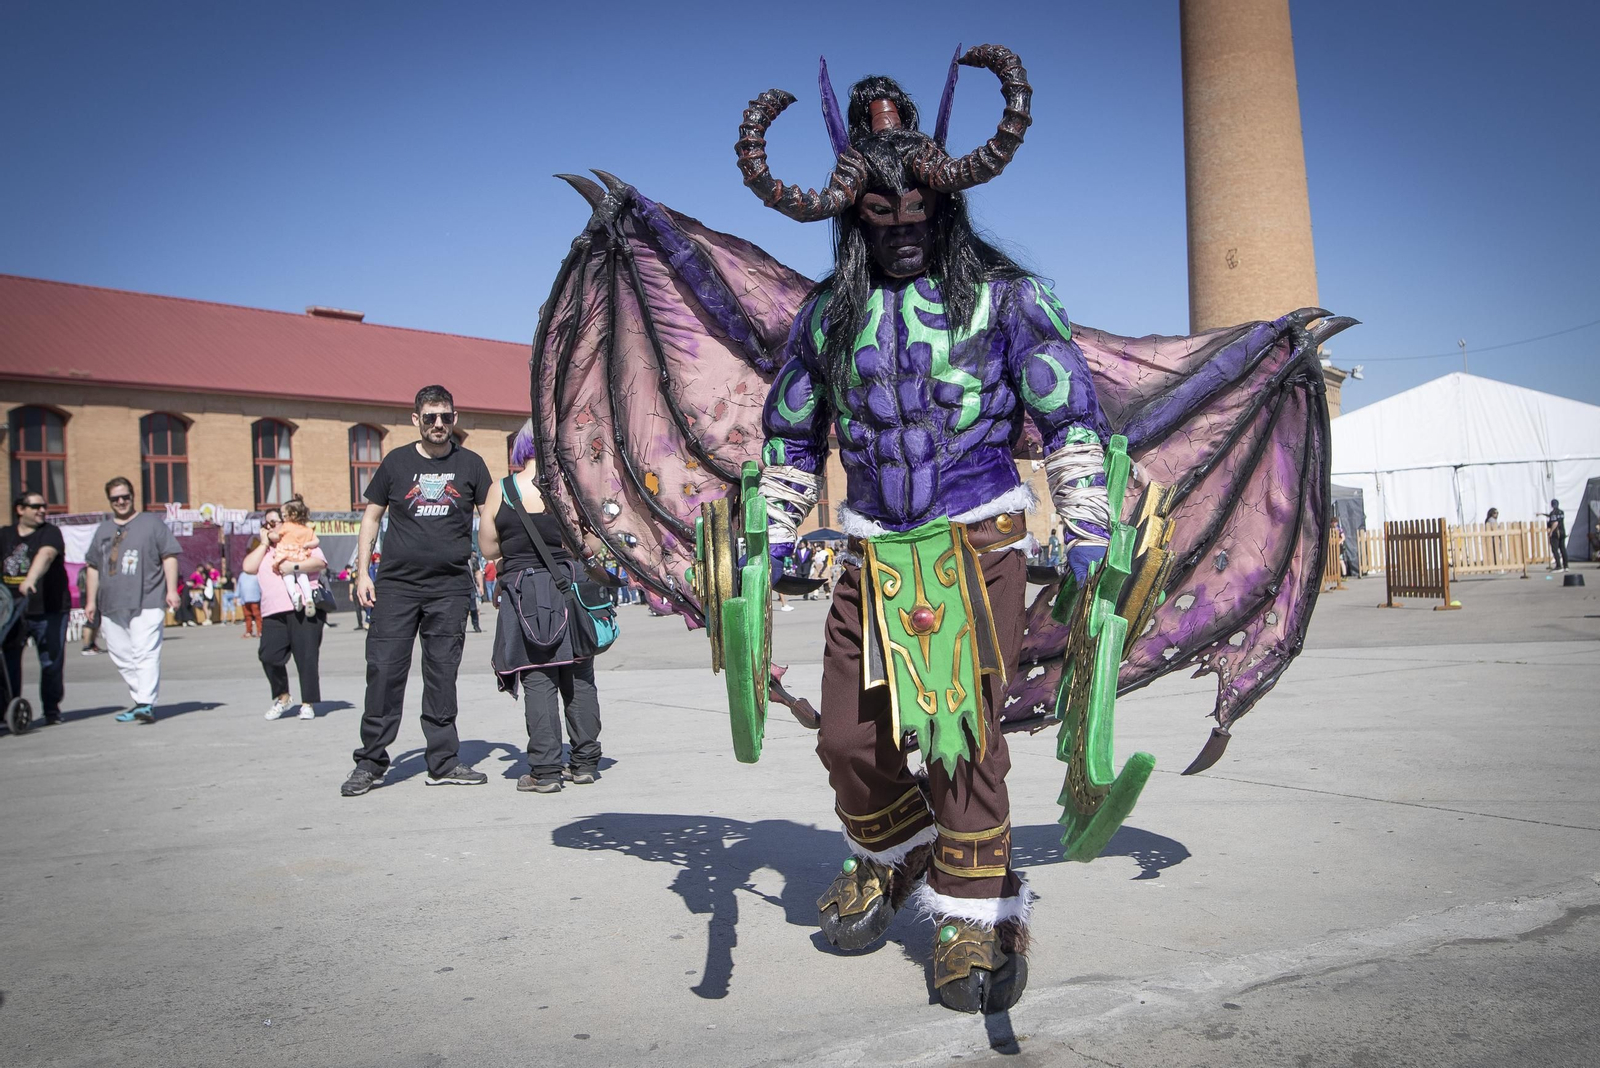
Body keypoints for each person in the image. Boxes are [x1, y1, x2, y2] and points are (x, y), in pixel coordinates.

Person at [343, 385, 494, 796]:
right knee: (385, 672)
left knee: (442, 675)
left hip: (449, 588)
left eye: (445, 417)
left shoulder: (472, 465)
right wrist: (363, 574)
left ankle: (443, 762)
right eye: (430, 417)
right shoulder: (395, 463)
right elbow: (371, 518)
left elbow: (490, 517)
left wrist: (498, 561)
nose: (439, 424)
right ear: (416, 420)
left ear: (455, 418)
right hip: (396, 588)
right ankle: (371, 762)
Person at [480, 423, 609, 793]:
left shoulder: (501, 491)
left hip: (524, 593)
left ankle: (546, 771)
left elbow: (489, 549)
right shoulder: (572, 489)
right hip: (568, 589)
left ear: (521, 448)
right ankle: (584, 763)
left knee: (538, 677)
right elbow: (593, 545)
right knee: (579, 674)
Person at [83, 477, 180, 723]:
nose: (121, 501)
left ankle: (146, 703)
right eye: (115, 498)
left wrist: (172, 590)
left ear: (133, 496)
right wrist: (90, 601)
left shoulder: (151, 524)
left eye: (125, 496)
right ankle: (141, 700)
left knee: (145, 651)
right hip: (110, 602)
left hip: (147, 597)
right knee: (122, 655)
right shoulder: (103, 530)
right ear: (109, 501)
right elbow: (93, 566)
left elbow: (169, 556)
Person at [243, 501, 327, 720]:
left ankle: (308, 703)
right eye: (267, 523)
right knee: (269, 655)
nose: (271, 526)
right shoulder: (264, 549)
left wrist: (294, 567)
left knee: (306, 657)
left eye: (275, 521)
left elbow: (319, 563)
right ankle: (283, 696)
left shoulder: (300, 537)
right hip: (273, 611)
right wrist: (263, 544)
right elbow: (248, 567)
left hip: (303, 610)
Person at [2, 491, 71, 723]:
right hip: (12, 611)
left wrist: (30, 579)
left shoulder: (50, 532)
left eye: (44, 506)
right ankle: (9, 709)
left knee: (50, 661)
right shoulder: (5, 535)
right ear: (20, 510)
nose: (42, 510)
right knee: (7, 661)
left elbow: (46, 554)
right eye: (36, 506)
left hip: (49, 608)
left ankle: (51, 710)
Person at [271, 498, 322, 614]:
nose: (283, 517)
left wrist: (270, 535)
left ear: (292, 515)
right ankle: (308, 598)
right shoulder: (307, 529)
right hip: (300, 555)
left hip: (286, 554)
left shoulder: (287, 526)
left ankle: (294, 595)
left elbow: (277, 537)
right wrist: (307, 544)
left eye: (285, 515)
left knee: (287, 577)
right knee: (302, 576)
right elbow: (316, 541)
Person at [77, 564, 103, 654]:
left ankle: (92, 644)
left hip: (95, 598)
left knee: (97, 622)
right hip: (89, 598)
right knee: (91, 622)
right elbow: (82, 586)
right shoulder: (86, 571)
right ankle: (86, 646)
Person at [237, 562, 263, 638]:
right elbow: (239, 586)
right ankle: (249, 631)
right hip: (244, 599)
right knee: (247, 616)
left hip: (255, 598)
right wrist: (236, 596)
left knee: (257, 616)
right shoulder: (242, 575)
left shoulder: (257, 574)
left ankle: (260, 631)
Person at [1546, 499, 1568, 571]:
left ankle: (1558, 566)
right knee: (1563, 549)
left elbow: (1555, 522)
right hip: (1562, 531)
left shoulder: (1553, 513)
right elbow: (1558, 519)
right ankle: (1566, 566)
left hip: (1556, 532)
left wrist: (1551, 531)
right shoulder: (1561, 512)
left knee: (1555, 549)